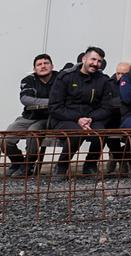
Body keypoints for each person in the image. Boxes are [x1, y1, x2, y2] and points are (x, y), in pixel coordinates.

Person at [48, 46, 119, 178]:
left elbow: (106, 107)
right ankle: (62, 166)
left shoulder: (103, 80)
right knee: (76, 133)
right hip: (64, 119)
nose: (95, 64)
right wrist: (77, 119)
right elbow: (54, 106)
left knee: (101, 133)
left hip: (91, 119)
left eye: (99, 61)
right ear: (84, 59)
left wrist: (90, 118)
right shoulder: (65, 77)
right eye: (93, 59)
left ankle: (90, 165)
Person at [5, 53, 56, 177]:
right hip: (28, 117)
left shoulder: (59, 79)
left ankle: (28, 166)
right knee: (5, 139)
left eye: (46, 63)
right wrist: (51, 102)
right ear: (34, 69)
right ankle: (18, 162)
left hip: (47, 119)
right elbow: (26, 99)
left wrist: (42, 102)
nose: (43, 66)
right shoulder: (28, 80)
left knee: (32, 133)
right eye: (39, 64)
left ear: (52, 66)